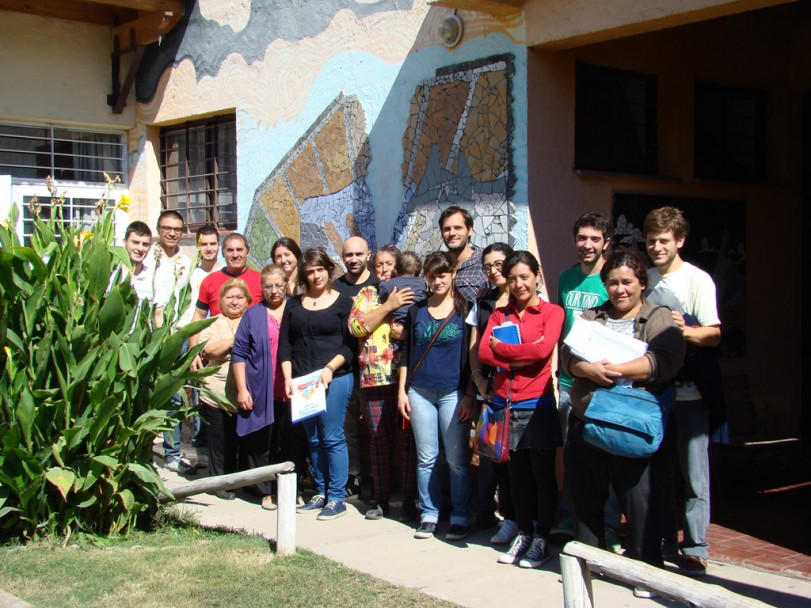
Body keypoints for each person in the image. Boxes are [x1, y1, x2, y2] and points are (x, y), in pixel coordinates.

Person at [561, 247, 685, 599]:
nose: (620, 290)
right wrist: (588, 369)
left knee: (641, 501)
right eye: (612, 283)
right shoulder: (591, 315)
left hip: (632, 426)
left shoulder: (658, 318)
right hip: (589, 419)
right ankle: (591, 561)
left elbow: (666, 361)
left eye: (627, 282)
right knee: (584, 497)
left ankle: (646, 570)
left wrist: (615, 369)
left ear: (641, 283)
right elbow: (569, 355)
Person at [644, 206, 721, 577]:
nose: (657, 247)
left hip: (690, 394)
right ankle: (661, 539)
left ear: (680, 241)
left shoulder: (698, 280)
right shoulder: (644, 278)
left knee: (694, 474)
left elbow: (714, 333)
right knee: (657, 472)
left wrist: (682, 330)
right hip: (654, 392)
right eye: (651, 240)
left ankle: (695, 547)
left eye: (664, 240)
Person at [478, 251, 564, 568]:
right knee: (517, 478)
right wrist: (517, 357)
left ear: (537, 276)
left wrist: (507, 352)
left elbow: (544, 350)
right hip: (504, 404)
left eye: (524, 277)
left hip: (536, 404)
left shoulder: (552, 312)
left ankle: (541, 537)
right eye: (513, 278)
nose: (518, 284)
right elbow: (485, 352)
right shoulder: (501, 314)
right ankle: (524, 533)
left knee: (542, 477)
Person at [555, 212, 622, 551]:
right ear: (574, 240)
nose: (588, 245)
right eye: (582, 238)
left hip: (605, 383)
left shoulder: (612, 280)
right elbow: (561, 329)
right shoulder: (566, 278)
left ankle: (608, 525)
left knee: (605, 455)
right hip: (569, 380)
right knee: (574, 455)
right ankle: (572, 515)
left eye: (595, 239)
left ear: (606, 243)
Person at [398, 251, 474, 541]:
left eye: (442, 274)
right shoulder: (418, 309)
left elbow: (471, 356)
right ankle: (429, 514)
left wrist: (469, 394)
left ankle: (460, 515)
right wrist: (402, 391)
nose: (437, 280)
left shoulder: (465, 309)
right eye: (431, 276)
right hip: (419, 391)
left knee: (456, 459)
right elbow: (407, 351)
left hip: (453, 393)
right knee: (426, 457)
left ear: (453, 274)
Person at [279, 247, 355, 520]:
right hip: (303, 381)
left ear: (329, 270)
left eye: (320, 269)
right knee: (313, 438)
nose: (315, 275)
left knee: (332, 437)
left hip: (335, 377)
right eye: (310, 271)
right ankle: (321, 491)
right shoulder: (294, 304)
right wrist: (288, 377)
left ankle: (337, 497)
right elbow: (286, 345)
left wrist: (330, 367)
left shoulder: (343, 302)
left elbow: (350, 346)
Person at [348, 245, 418, 521]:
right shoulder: (369, 294)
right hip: (375, 377)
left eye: (389, 264)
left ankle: (410, 500)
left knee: (407, 439)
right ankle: (380, 499)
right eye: (379, 265)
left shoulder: (411, 290)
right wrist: (389, 307)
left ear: (399, 266)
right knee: (378, 438)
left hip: (406, 377)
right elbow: (357, 327)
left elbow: (415, 327)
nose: (384, 269)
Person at [467, 242, 518, 543]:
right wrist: (478, 381)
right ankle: (487, 509)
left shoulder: (524, 300)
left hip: (518, 391)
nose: (493, 270)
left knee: (515, 456)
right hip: (486, 390)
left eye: (499, 264)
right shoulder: (482, 301)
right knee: (488, 452)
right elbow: (474, 347)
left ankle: (516, 515)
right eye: (487, 266)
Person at [231, 265, 287, 511]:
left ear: (286, 285)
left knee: (287, 441)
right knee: (262, 442)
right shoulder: (253, 314)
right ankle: (265, 491)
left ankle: (287, 490)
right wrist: (242, 389)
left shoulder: (295, 309)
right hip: (260, 388)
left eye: (278, 285)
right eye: (268, 286)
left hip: (289, 390)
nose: (274, 291)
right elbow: (239, 353)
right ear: (261, 288)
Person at [197, 278, 252, 500]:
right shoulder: (211, 323)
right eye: (230, 297)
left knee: (241, 441)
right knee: (220, 441)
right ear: (221, 301)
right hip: (216, 392)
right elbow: (209, 350)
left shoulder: (253, 320)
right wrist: (234, 341)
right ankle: (220, 483)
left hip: (246, 392)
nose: (234, 301)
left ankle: (244, 481)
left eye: (239, 297)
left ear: (248, 300)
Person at [151, 210, 194, 475]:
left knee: (175, 397)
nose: (172, 233)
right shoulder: (148, 259)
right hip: (150, 339)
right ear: (158, 228)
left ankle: (172, 453)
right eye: (167, 228)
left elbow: (188, 304)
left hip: (177, 336)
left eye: (177, 229)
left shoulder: (185, 261)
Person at [333, 235, 376, 498]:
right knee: (346, 429)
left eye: (359, 254)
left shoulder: (379, 285)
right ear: (342, 257)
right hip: (344, 369)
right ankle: (353, 477)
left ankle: (375, 481)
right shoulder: (336, 288)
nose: (354, 259)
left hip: (373, 371)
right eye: (349, 255)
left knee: (375, 430)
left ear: (368, 255)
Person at [438, 205, 487, 305]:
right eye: (447, 229)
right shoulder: (438, 263)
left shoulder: (484, 262)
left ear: (469, 230)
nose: (452, 233)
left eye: (457, 228)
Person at [377, 251, 425, 326]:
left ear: (396, 270)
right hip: (418, 319)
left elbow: (382, 293)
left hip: (400, 320)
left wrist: (382, 282)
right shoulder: (421, 282)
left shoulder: (392, 283)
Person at [122, 221, 153, 304]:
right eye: (135, 242)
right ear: (125, 242)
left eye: (145, 244)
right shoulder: (112, 273)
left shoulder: (153, 276)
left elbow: (158, 313)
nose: (140, 248)